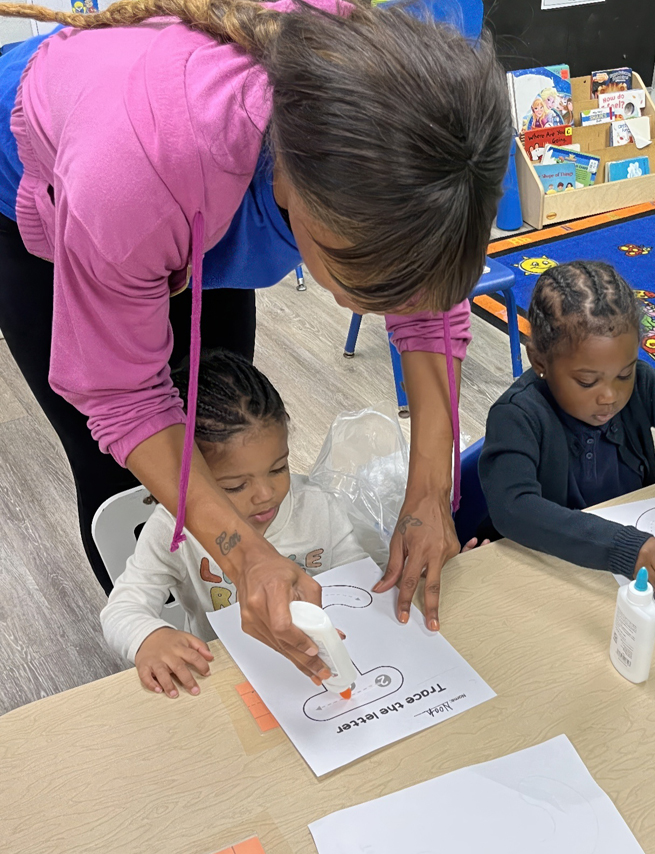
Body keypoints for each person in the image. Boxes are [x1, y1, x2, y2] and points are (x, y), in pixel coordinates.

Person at [0, 0, 512, 682]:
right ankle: (165, 653)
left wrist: (428, 492)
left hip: (180, 183)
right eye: (354, 280)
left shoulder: (417, 110)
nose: (385, 310)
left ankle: (240, 622)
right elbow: (123, 398)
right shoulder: (144, 167)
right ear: (288, 185)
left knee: (221, 426)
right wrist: (242, 555)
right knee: (125, 476)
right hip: (50, 186)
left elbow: (429, 306)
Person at [478, 261, 655, 595]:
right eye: (586, 381)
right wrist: (620, 546)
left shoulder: (642, 386)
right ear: (540, 362)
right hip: (551, 574)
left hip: (626, 572)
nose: (610, 396)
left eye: (623, 374)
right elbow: (515, 509)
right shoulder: (517, 417)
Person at [101, 350, 367, 698]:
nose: (265, 493)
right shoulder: (173, 530)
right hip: (230, 676)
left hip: (318, 667)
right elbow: (121, 609)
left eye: (278, 468)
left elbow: (359, 576)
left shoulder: (317, 507)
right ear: (192, 482)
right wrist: (149, 637)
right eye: (235, 486)